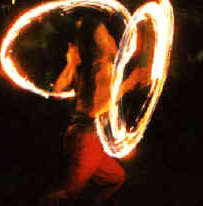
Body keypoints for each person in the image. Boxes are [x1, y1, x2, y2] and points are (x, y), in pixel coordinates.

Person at [45, 14, 149, 206]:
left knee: (115, 178)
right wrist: (130, 83)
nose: (111, 38)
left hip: (86, 137)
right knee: (66, 195)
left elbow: (57, 90)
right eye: (105, 35)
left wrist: (70, 64)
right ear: (99, 44)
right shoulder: (101, 67)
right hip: (87, 140)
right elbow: (99, 106)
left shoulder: (87, 64)